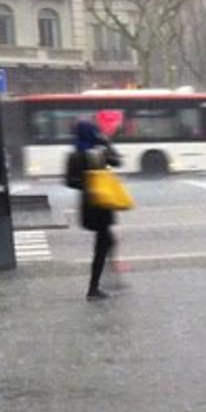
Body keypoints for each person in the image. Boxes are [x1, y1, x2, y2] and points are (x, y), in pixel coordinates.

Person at [65, 121, 121, 301]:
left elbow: (70, 181)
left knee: (107, 241)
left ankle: (106, 276)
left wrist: (106, 145)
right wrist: (91, 183)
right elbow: (117, 161)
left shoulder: (81, 154)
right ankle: (94, 288)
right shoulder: (90, 154)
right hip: (98, 205)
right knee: (102, 245)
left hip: (94, 204)